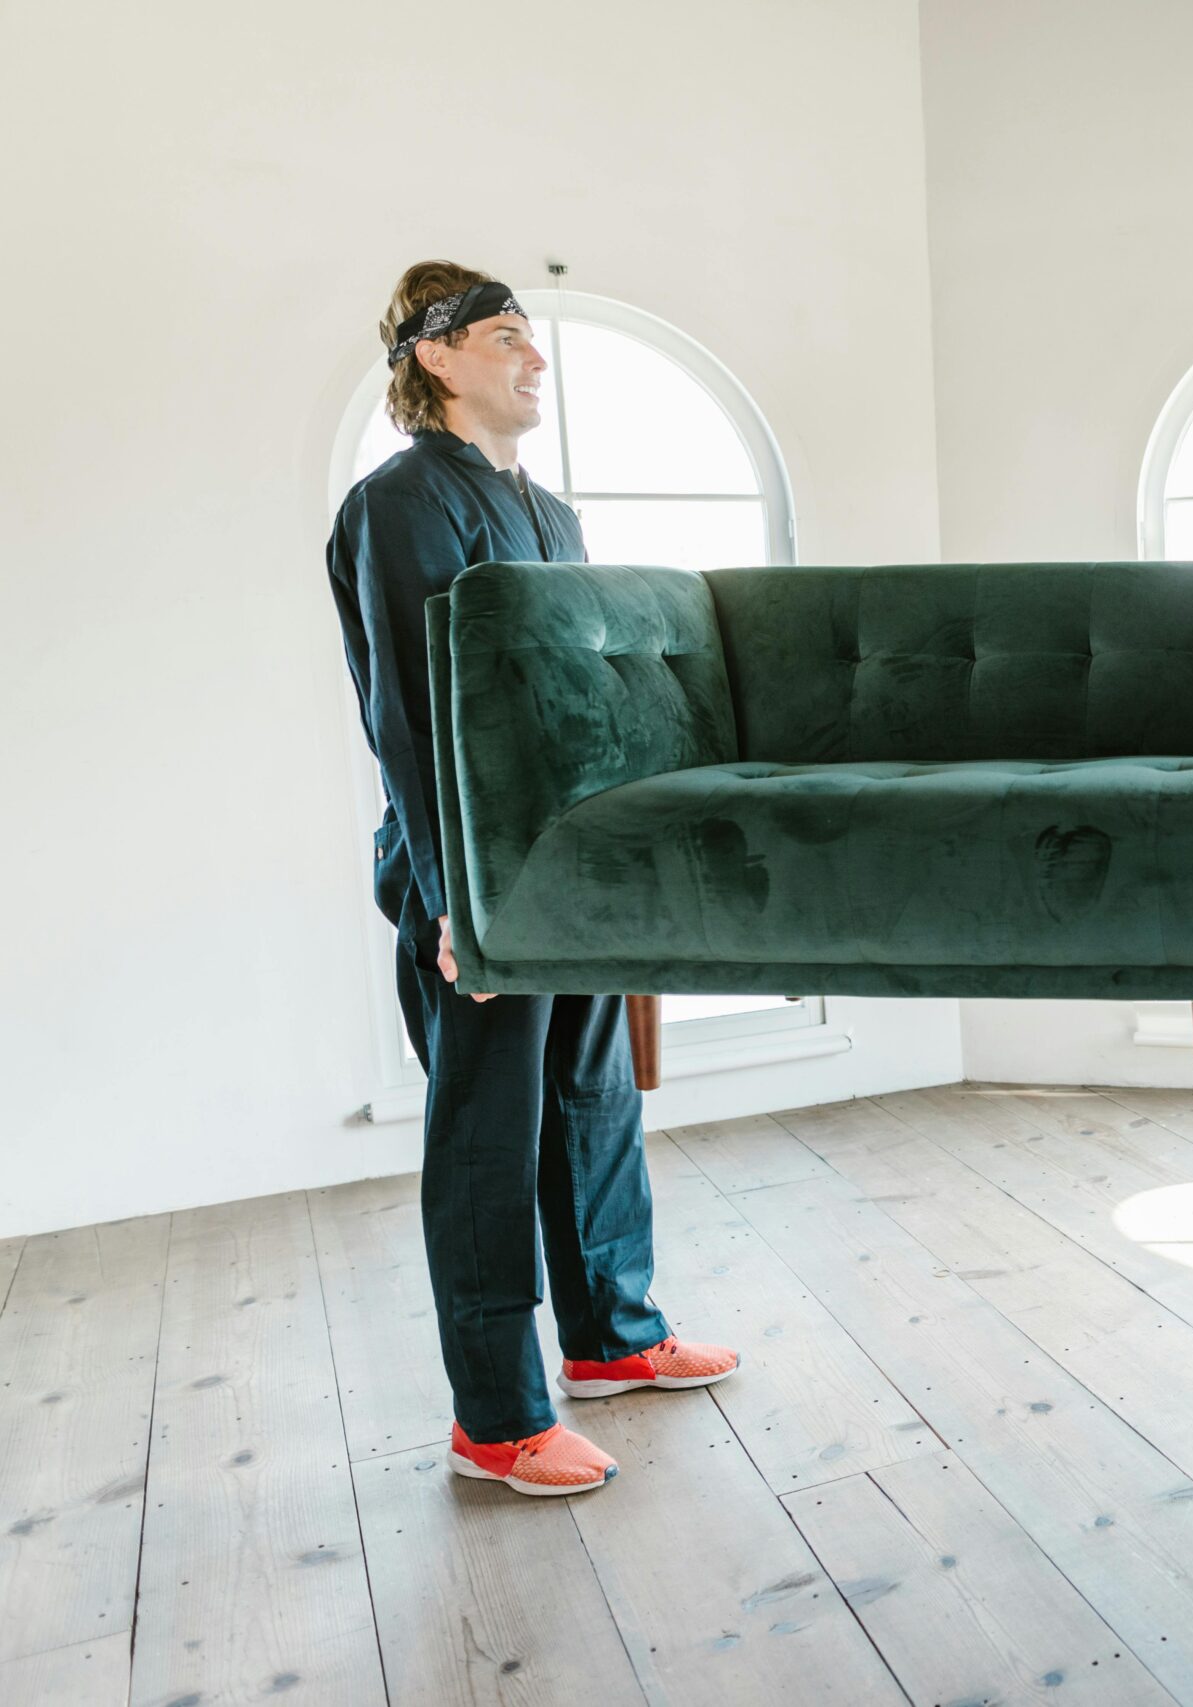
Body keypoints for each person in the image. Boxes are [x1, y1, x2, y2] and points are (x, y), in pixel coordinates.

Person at [326, 260, 738, 1497]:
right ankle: (497, 1420)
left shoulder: (553, 518)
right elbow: (408, 714)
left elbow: (587, 704)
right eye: (508, 336)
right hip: (473, 878)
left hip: (570, 864)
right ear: (435, 356)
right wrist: (456, 895)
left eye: (534, 338)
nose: (536, 359)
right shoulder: (397, 507)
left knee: (595, 1100)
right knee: (486, 1140)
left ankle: (613, 1337)